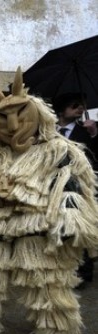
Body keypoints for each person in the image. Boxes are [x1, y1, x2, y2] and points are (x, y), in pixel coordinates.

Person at [0, 68, 98, 334]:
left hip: (36, 223)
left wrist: (69, 223)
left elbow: (72, 187)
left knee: (42, 275)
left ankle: (57, 327)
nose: (13, 124)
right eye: (4, 118)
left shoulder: (57, 150)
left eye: (20, 115)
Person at [53, 92, 98, 284]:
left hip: (80, 186)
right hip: (55, 187)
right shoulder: (49, 131)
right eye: (74, 105)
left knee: (80, 228)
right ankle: (61, 268)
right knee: (59, 227)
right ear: (62, 109)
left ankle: (83, 272)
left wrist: (94, 133)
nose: (80, 108)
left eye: (81, 105)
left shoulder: (88, 129)